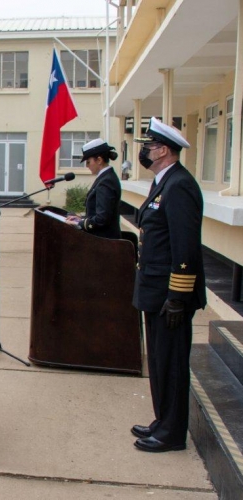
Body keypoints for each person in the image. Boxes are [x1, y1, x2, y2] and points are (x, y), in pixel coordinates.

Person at [130, 117, 205, 453]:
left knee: (172, 363)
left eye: (148, 146)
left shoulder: (180, 186)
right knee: (159, 361)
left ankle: (172, 434)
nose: (144, 151)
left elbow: (185, 246)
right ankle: (163, 421)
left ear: (162, 150)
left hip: (170, 295)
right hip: (155, 290)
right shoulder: (164, 182)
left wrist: (178, 295)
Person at [65, 139, 122, 239]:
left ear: (99, 160)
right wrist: (80, 219)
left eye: (88, 162)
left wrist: (81, 224)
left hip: (104, 241)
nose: (87, 166)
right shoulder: (105, 177)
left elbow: (102, 219)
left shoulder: (106, 181)